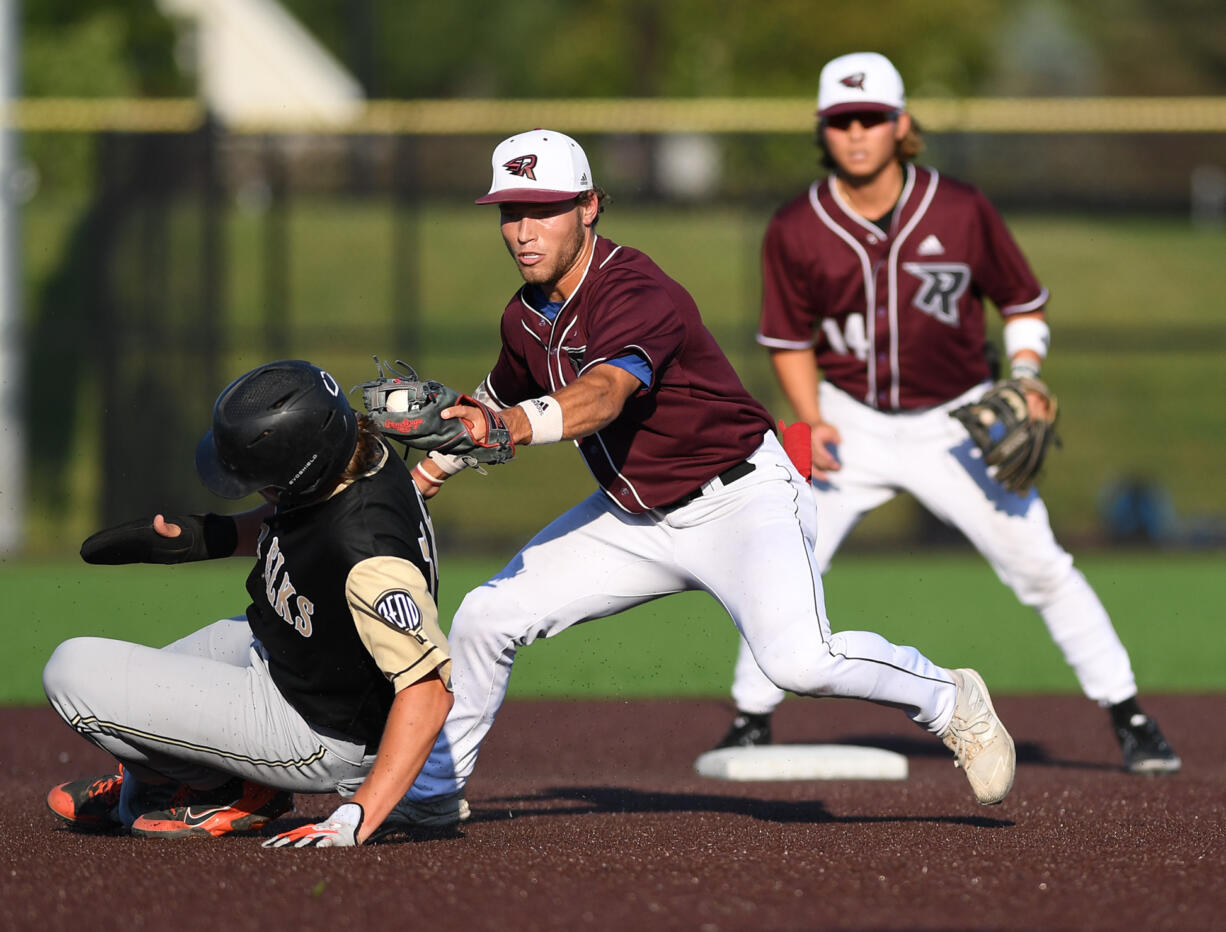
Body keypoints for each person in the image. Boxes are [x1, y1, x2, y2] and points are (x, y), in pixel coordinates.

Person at [381, 127, 1016, 828]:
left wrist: (504, 427)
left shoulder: (636, 288)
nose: (523, 230)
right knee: (485, 616)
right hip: (633, 519)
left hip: (742, 499)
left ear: (590, 206)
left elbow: (603, 396)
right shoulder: (524, 316)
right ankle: (434, 792)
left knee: (800, 664)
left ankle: (951, 700)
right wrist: (432, 464)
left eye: (545, 209)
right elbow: (493, 402)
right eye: (510, 212)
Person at [711, 51, 1180, 775]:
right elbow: (787, 339)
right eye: (841, 120)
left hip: (958, 424)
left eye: (871, 118)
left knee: (1042, 565)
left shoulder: (961, 209)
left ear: (902, 125)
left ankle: (1130, 714)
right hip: (846, 417)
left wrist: (1024, 374)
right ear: (822, 130)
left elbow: (1022, 301)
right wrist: (808, 419)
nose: (857, 132)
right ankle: (749, 718)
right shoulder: (797, 226)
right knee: (785, 557)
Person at [43, 359, 454, 846]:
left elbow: (429, 692)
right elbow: (298, 520)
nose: (255, 486)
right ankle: (164, 780)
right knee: (136, 706)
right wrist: (202, 538)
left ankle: (227, 790)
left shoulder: (369, 558)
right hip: (286, 658)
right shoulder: (354, 455)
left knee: (72, 672)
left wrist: (358, 814)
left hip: (318, 729)